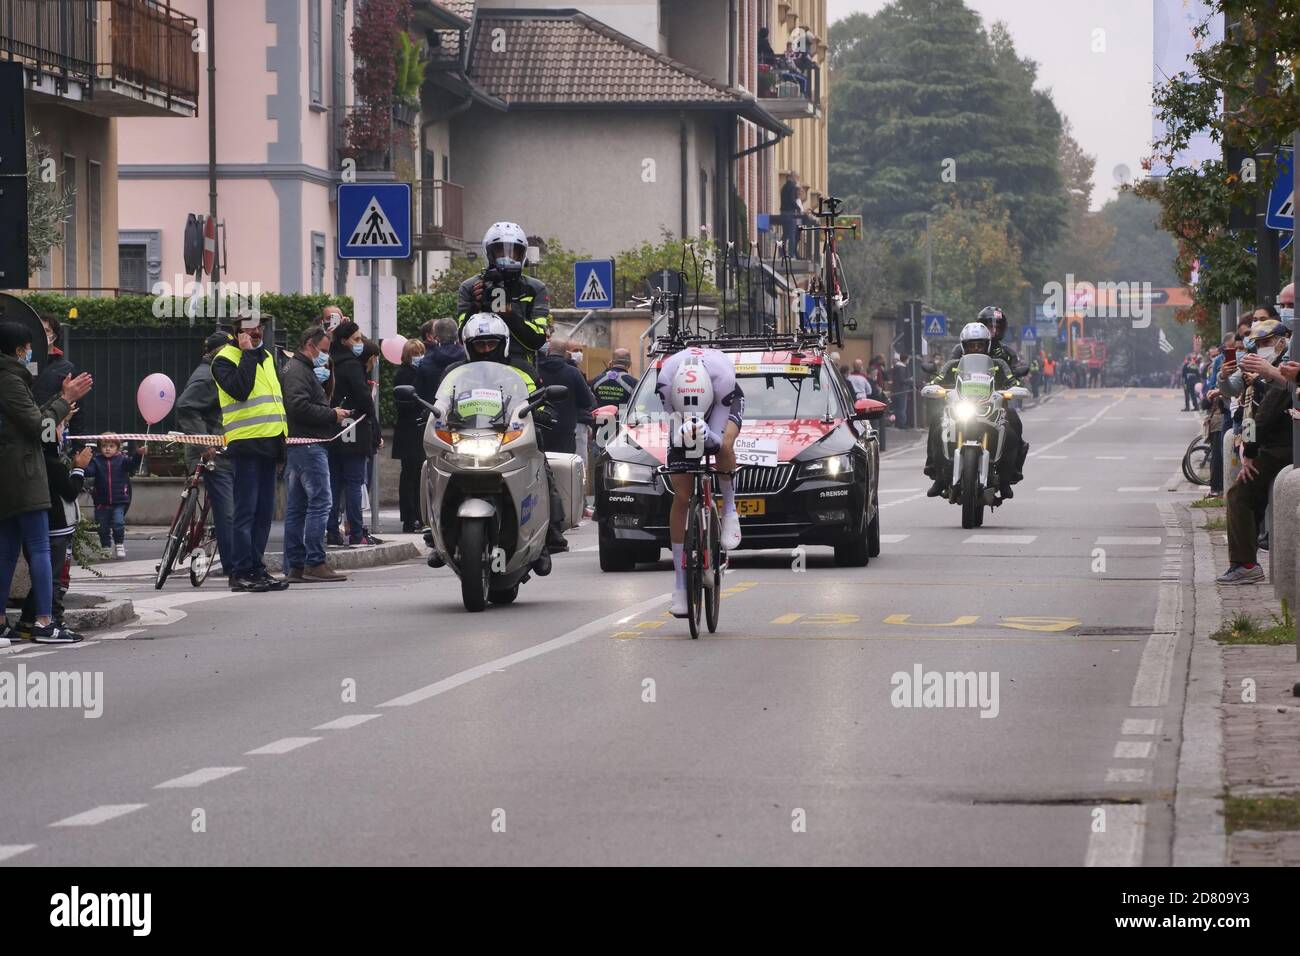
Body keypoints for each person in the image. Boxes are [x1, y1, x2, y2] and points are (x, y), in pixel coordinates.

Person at [456, 222, 566, 554]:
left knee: (534, 449)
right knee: (451, 446)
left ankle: (552, 526)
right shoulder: (470, 286)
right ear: (488, 253)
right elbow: (464, 330)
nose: (507, 258)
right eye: (501, 251)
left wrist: (507, 314)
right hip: (477, 375)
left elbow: (537, 336)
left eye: (514, 251)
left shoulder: (536, 287)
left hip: (521, 375)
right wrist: (479, 306)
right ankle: (440, 521)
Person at [0, 320, 92, 645]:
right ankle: (44, 622)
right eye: (26, 348)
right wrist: (64, 400)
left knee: (8, 551)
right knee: (39, 548)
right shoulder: (10, 379)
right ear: (17, 349)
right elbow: (39, 428)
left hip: (9, 475)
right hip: (23, 475)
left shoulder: (11, 379)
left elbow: (30, 422)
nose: (30, 353)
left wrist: (57, 409)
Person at [655, 346, 745, 617]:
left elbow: (717, 439)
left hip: (722, 407)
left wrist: (708, 436)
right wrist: (682, 431)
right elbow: (673, 429)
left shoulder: (723, 380)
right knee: (681, 495)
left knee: (725, 446)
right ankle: (680, 586)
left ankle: (730, 510)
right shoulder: (666, 382)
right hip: (681, 410)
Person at [212, 313, 290, 593]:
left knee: (263, 512)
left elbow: (276, 402)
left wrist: (282, 445)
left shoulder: (267, 356)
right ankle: (240, 571)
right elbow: (241, 390)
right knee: (245, 512)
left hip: (270, 443)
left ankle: (256, 568)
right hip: (245, 444)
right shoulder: (224, 359)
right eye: (250, 327)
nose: (256, 331)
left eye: (260, 327)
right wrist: (246, 354)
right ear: (237, 331)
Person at [1218, 319, 1297, 584]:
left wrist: (1250, 451)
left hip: (1282, 448)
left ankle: (1246, 563)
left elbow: (1260, 419)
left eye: (1265, 343)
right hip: (1272, 446)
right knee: (1247, 495)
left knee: (1240, 495)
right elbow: (1249, 410)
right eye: (1258, 344)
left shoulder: (1281, 370)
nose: (1261, 349)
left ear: (1282, 342)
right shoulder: (1266, 373)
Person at [924, 322, 1023, 499]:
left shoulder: (999, 364)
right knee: (937, 423)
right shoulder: (953, 364)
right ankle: (938, 475)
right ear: (964, 346)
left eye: (980, 345)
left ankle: (1008, 478)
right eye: (972, 345)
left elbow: (1013, 382)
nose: (976, 348)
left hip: (992, 409)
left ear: (987, 346)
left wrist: (1013, 390)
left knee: (1013, 426)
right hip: (961, 408)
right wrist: (933, 388)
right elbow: (936, 381)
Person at [282, 325, 349, 582]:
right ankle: (315, 562)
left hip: (301, 445)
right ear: (310, 345)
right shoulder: (299, 371)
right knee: (320, 502)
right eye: (323, 350)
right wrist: (333, 414)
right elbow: (298, 407)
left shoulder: (296, 368)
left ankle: (296, 565)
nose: (326, 356)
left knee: (298, 508)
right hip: (309, 444)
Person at [17, 410, 89, 638]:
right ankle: (53, 620)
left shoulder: (35, 462)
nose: (63, 432)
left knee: (44, 578)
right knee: (55, 579)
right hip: (56, 529)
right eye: (60, 428)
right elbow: (69, 492)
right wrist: (79, 468)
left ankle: (27, 621)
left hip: (38, 526)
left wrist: (65, 413)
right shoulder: (52, 464)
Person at [175, 331, 236, 578]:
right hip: (210, 452)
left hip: (223, 449)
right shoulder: (207, 377)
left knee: (231, 507)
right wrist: (204, 444)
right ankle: (234, 567)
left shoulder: (220, 373)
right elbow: (186, 408)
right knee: (228, 511)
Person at [327, 321, 379, 548]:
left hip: (333, 429)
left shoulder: (329, 363)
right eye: (356, 339)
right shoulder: (352, 365)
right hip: (354, 428)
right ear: (344, 340)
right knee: (354, 482)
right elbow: (364, 399)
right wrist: (373, 425)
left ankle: (332, 531)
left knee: (334, 482)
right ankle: (356, 533)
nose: (360, 344)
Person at [84, 437, 145, 558]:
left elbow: (133, 464)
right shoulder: (96, 461)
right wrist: (83, 463)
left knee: (118, 523)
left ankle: (119, 544)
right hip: (101, 501)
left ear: (117, 448)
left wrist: (138, 455)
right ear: (100, 448)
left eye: (111, 446)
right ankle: (105, 547)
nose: (107, 449)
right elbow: (89, 472)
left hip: (119, 500)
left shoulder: (122, 460)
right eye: (104, 446)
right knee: (102, 527)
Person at [393, 337, 428, 533]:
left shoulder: (422, 373)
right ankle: (409, 516)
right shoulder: (404, 375)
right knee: (409, 475)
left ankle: (419, 515)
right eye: (415, 354)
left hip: (418, 429)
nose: (419, 358)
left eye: (421, 353)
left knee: (418, 475)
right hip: (408, 430)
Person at [537, 338, 594, 455]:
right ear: (565, 353)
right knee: (565, 468)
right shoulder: (573, 373)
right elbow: (587, 401)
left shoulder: (536, 369)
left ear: (548, 351)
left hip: (540, 428)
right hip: (565, 431)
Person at [415, 317, 462, 404]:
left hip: (435, 411)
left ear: (437, 337)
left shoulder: (425, 363)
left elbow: (419, 394)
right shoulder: (468, 358)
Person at [780, 171, 801, 255]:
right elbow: (792, 200)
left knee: (785, 234)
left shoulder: (783, 187)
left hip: (783, 212)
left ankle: (781, 253)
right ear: (793, 177)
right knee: (792, 234)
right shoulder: (793, 187)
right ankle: (792, 254)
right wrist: (798, 207)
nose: (797, 180)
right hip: (790, 213)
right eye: (796, 178)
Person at [892, 352, 912, 428]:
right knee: (902, 408)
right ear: (906, 359)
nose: (909, 361)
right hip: (902, 390)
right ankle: (902, 424)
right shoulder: (902, 368)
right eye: (908, 359)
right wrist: (910, 380)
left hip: (896, 390)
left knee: (897, 408)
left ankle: (898, 423)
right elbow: (902, 380)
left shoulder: (896, 367)